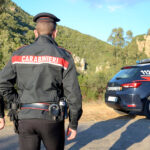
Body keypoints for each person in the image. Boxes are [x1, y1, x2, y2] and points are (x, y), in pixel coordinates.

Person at [0, 12, 82, 150]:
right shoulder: (63, 56)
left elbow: (2, 84)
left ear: (35, 32)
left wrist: (16, 101)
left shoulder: (18, 54)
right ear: (54, 33)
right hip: (52, 118)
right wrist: (73, 124)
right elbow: (74, 95)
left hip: (24, 117)